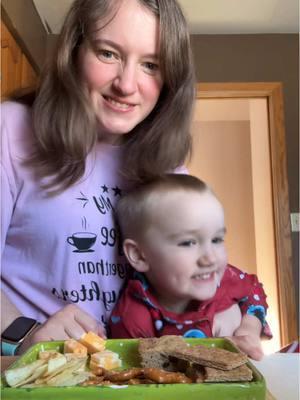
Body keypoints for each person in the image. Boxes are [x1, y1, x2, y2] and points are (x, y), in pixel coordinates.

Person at [1, 0, 195, 354]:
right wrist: (24, 335)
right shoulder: (10, 128)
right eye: (108, 54)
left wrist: (242, 310)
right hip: (39, 380)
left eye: (151, 65)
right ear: (74, 51)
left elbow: (193, 276)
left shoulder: (170, 167)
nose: (126, 84)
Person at [109, 174, 272, 360]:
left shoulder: (219, 276)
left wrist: (249, 328)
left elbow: (253, 290)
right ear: (139, 255)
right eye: (188, 243)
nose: (210, 258)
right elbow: (137, 379)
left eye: (217, 239)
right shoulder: (133, 319)